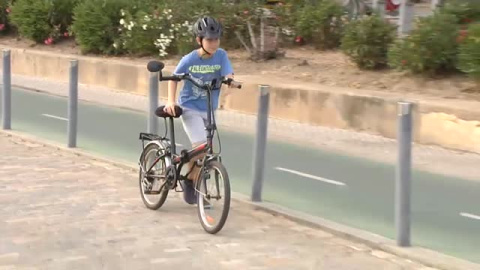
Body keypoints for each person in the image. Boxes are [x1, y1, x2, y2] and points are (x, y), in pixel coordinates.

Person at [163, 16, 236, 205]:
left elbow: (228, 73)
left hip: (209, 110)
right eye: (209, 39)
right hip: (189, 108)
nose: (214, 43)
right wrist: (171, 101)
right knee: (201, 146)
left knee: (206, 152)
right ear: (199, 40)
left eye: (216, 39)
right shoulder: (189, 59)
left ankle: (190, 179)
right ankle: (193, 185)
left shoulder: (221, 55)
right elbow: (173, 78)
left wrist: (230, 81)